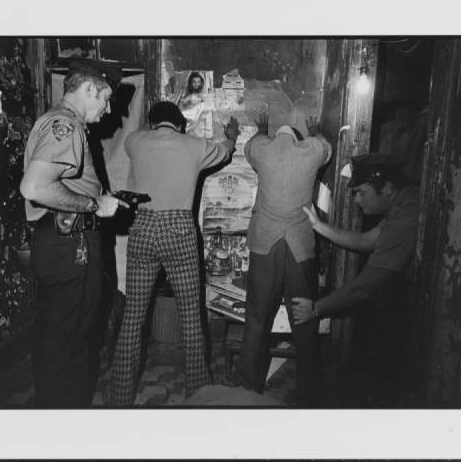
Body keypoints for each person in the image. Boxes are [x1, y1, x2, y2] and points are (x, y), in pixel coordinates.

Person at [105, 102, 240, 406]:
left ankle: (119, 400)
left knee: (133, 319)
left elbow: (144, 135)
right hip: (180, 229)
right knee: (191, 318)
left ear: (152, 123)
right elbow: (225, 150)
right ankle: (198, 396)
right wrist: (230, 136)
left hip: (144, 228)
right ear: (180, 126)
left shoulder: (134, 142)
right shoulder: (195, 145)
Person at [20, 55, 128, 408]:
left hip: (69, 241)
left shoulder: (63, 124)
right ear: (88, 89)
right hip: (70, 243)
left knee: (70, 336)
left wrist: (97, 197)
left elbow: (62, 186)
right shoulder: (63, 125)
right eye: (106, 98)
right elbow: (34, 187)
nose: (110, 109)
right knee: (65, 341)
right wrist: (96, 206)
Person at [291, 153, 420, 407]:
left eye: (361, 193)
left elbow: (364, 287)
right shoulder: (404, 202)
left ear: (387, 188)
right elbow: (366, 240)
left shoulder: (403, 222)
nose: (356, 200)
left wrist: (315, 309)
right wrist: (319, 226)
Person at [232, 113, 333, 407]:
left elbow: (251, 143)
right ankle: (309, 397)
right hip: (300, 246)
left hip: (265, 244)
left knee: (256, 322)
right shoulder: (312, 151)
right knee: (304, 321)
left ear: (277, 138)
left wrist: (262, 126)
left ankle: (244, 394)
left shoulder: (263, 149)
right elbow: (326, 145)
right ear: (298, 139)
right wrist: (315, 128)